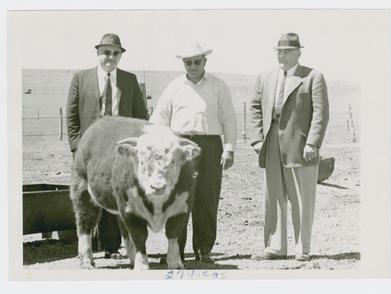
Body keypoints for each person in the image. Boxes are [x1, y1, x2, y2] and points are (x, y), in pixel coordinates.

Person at [150, 43, 237, 263]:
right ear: (183, 64)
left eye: (197, 61)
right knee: (178, 199)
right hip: (180, 146)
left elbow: (229, 120)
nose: (193, 66)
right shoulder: (174, 87)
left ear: (205, 61)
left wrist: (229, 149)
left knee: (207, 198)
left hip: (210, 146)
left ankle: (204, 249)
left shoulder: (218, 86)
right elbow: (159, 119)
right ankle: (175, 251)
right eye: (188, 62)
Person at [66, 33, 149, 258]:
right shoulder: (80, 78)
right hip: (91, 154)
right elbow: (72, 118)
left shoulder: (129, 80)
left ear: (120, 55)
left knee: (125, 199)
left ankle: (130, 249)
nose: (110, 57)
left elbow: (142, 118)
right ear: (98, 53)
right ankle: (93, 249)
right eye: (106, 52)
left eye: (115, 53)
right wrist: (77, 150)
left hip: (123, 153)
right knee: (90, 198)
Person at [249, 33, 329, 261]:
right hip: (271, 141)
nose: (282, 55)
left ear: (298, 53)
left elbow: (321, 113)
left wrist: (313, 143)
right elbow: (255, 107)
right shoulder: (264, 77)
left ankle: (301, 248)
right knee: (273, 195)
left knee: (302, 197)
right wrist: (256, 138)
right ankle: (275, 246)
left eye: (287, 51)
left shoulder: (313, 76)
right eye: (279, 51)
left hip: (301, 145)